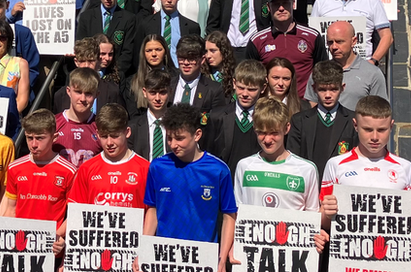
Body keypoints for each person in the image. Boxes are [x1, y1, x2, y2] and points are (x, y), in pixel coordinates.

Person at [143, 103, 237, 267]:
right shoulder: (158, 167)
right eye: (170, 138)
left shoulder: (218, 170)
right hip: (164, 257)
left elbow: (229, 216)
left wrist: (221, 260)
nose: (173, 144)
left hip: (203, 258)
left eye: (179, 138)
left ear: (197, 135)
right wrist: (144, 251)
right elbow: (153, 210)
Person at [317, 95, 411, 244]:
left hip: (390, 261)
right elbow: (323, 221)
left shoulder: (405, 167)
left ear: (391, 126)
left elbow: (410, 220)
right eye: (368, 129)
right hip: (348, 261)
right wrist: (326, 214)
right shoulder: (336, 165)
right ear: (355, 125)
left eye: (382, 130)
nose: (375, 137)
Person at [5, 109, 75, 257]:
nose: (34, 144)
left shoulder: (68, 171)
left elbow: (74, 214)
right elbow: (10, 210)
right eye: (29, 138)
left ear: (54, 137)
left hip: (50, 248)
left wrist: (59, 236)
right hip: (19, 246)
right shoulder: (15, 168)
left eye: (40, 138)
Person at [233, 99, 319, 213]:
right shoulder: (244, 166)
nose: (267, 140)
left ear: (286, 128)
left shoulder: (307, 169)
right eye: (262, 133)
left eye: (274, 133)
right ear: (254, 129)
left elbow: (312, 217)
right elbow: (237, 213)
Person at [246, 0, 327, 98]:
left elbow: (323, 72)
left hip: (303, 104)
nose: (281, 8)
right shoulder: (257, 40)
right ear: (269, 7)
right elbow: (250, 76)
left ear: (293, 4)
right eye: (276, 4)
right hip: (270, 105)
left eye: (285, 3)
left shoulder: (312, 36)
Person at [70, 103, 150, 207]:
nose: (109, 143)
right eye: (104, 137)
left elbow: (152, 212)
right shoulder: (87, 168)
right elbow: (75, 212)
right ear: (97, 134)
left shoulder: (145, 168)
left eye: (114, 136)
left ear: (127, 132)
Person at [287, 61, 359, 171]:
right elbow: (293, 159)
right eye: (322, 90)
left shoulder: (353, 120)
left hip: (339, 184)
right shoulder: (299, 121)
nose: (328, 95)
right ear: (314, 88)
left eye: (333, 89)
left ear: (342, 88)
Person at [203, 60, 266, 174]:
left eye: (251, 89)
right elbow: (208, 155)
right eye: (241, 88)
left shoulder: (267, 119)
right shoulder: (217, 117)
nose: (245, 94)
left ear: (263, 88)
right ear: (234, 83)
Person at [77, 0, 137, 80]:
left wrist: (111, 75)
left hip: (115, 77)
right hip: (89, 75)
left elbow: (128, 53)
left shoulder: (128, 19)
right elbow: (82, 48)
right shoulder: (86, 17)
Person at [139, 0, 200, 67]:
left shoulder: (192, 27)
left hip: (179, 75)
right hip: (154, 75)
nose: (169, 0)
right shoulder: (146, 24)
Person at [54, 37, 127, 113]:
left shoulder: (112, 92)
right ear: (76, 62)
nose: (86, 65)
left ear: (99, 61)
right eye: (82, 61)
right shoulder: (61, 95)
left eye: (91, 61)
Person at [54, 68, 102, 168]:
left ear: (97, 95)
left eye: (88, 93)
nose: (83, 99)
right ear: (68, 91)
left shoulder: (101, 126)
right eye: (78, 92)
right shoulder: (54, 124)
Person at [170, 35, 226, 114]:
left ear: (202, 59)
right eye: (182, 58)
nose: (186, 63)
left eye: (191, 58)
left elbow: (217, 121)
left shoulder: (214, 90)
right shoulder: (167, 85)